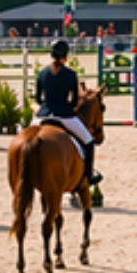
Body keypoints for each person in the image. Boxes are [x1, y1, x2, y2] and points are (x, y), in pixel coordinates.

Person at [33, 40, 101, 186]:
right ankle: (88, 176)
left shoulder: (42, 73)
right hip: (64, 115)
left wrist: (46, 107)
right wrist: (67, 108)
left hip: (43, 115)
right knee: (89, 141)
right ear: (65, 56)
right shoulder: (70, 75)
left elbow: (38, 98)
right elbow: (75, 100)